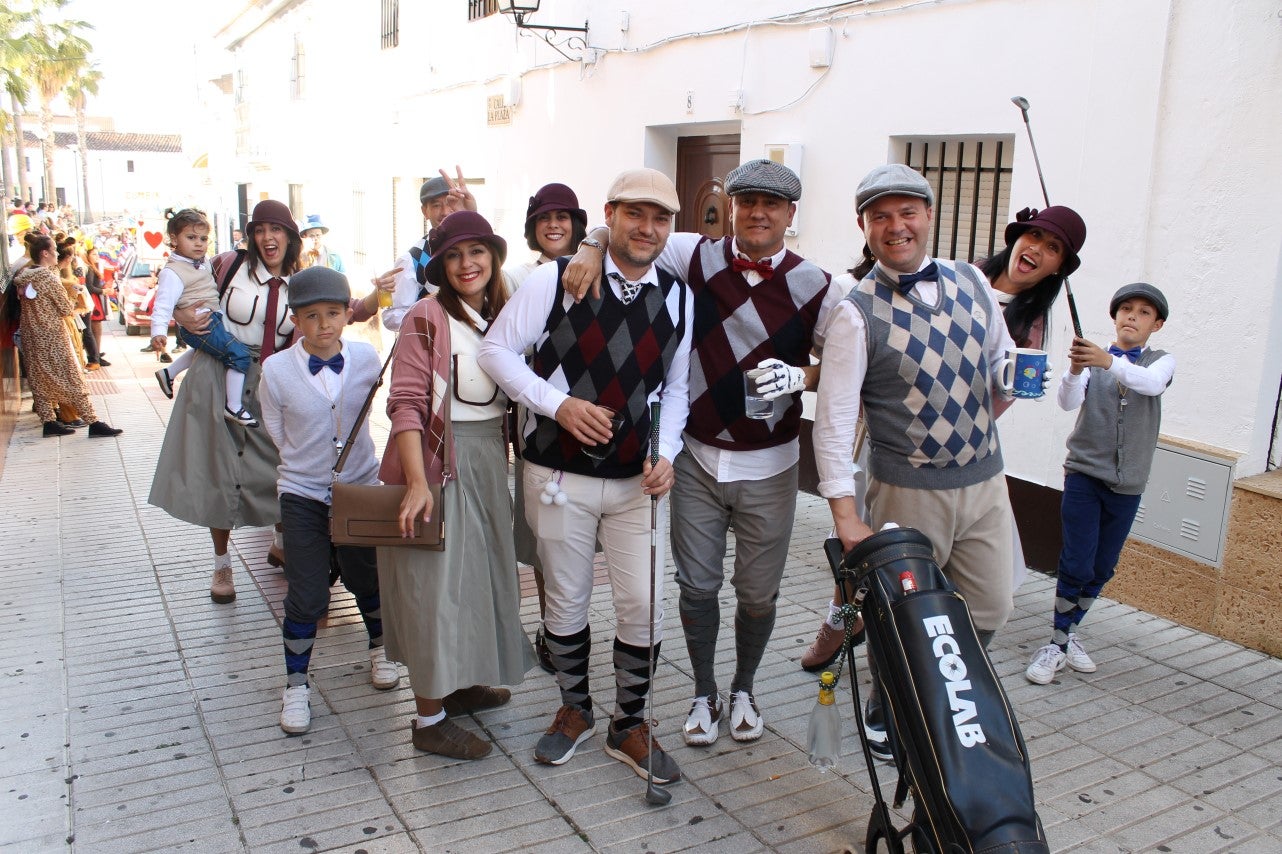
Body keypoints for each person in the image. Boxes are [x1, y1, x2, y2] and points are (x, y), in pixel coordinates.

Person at [562, 159, 841, 747]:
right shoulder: (695, 254)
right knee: (696, 587)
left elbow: (840, 366)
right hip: (695, 458)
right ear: (731, 208)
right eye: (747, 202)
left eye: (772, 204)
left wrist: (799, 376)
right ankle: (702, 691)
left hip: (773, 463)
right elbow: (632, 232)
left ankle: (745, 687)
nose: (758, 213)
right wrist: (589, 243)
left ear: (792, 215)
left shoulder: (819, 283)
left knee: (759, 594)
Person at [479, 168, 693, 786]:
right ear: (611, 214)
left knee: (644, 604)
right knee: (566, 600)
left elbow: (676, 388)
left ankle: (629, 723)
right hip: (556, 472)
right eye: (635, 215)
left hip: (637, 481)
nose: (647, 229)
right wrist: (557, 404)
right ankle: (575, 709)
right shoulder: (555, 280)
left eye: (660, 219)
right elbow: (496, 350)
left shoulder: (678, 296)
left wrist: (670, 452)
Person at [813, 164, 1020, 759]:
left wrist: (1011, 387)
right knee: (901, 613)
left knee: (990, 604)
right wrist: (845, 517)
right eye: (880, 216)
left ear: (929, 216)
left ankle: (952, 690)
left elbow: (998, 368)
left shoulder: (975, 282)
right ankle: (887, 703)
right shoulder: (855, 312)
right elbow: (833, 421)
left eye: (907, 212)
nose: (896, 226)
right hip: (906, 491)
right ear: (864, 226)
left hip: (985, 481)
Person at [376, 211, 535, 758]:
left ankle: (463, 682)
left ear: (494, 257)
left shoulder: (504, 312)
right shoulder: (426, 316)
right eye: (454, 255)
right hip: (438, 462)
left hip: (489, 460)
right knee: (435, 589)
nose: (467, 264)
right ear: (440, 266)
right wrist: (418, 482)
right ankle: (428, 720)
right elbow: (405, 404)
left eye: (477, 252)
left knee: (480, 577)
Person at [259, 266, 400, 734]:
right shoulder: (277, 370)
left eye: (334, 313)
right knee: (307, 591)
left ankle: (380, 650)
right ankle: (296, 685)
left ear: (347, 315)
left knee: (368, 576)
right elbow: (278, 432)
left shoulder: (364, 358)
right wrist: (309, 466)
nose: (324, 325)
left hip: (359, 487)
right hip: (302, 493)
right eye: (312, 315)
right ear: (296, 320)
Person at [148, 200, 307, 605]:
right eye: (259, 230)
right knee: (218, 471)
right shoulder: (227, 264)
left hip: (272, 379)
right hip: (217, 373)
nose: (267, 238)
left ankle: (280, 540)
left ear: (290, 236)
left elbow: (333, 317)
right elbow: (181, 286)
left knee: (280, 463)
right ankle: (222, 565)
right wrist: (181, 318)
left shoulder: (303, 279)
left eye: (276, 230)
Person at [1026, 284, 1174, 684]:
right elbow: (1067, 402)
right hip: (1084, 476)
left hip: (1128, 484)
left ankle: (1069, 633)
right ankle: (1056, 644)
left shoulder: (1160, 362)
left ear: (1156, 325)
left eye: (1144, 312)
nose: (1132, 316)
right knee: (1076, 560)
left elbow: (1150, 384)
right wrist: (1077, 369)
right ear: (1115, 316)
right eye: (1126, 309)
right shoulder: (1095, 361)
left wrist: (1105, 360)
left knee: (1102, 566)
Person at [506, 181, 590, 672]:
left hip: (594, 431)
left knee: (581, 544)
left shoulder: (598, 267)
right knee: (547, 539)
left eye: (562, 216)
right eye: (544, 218)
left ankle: (573, 626)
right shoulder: (519, 277)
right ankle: (552, 628)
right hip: (540, 431)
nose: (554, 224)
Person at [148, 209, 258, 427]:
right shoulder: (173, 272)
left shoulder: (202, 261)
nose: (198, 244)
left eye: (203, 238)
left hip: (210, 318)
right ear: (174, 239)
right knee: (239, 355)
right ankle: (233, 406)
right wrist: (158, 332)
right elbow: (163, 305)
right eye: (191, 238)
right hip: (200, 322)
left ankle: (169, 373)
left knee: (203, 350)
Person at [13, 232, 123, 438]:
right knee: (71, 376)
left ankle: (49, 421)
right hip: (52, 334)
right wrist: (74, 293)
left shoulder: (24, 276)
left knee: (38, 377)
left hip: (30, 333)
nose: (57, 254)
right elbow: (65, 308)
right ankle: (93, 421)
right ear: (45, 253)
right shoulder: (47, 278)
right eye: (54, 250)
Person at [379, 167, 477, 332]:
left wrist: (472, 215)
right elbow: (392, 317)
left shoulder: (478, 248)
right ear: (425, 211)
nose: (445, 212)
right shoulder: (412, 260)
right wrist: (432, 317)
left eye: (449, 203)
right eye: (436, 205)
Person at [981, 206, 1087, 350]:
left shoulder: (1030, 329)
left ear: (1058, 268)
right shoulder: (966, 273)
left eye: (1053, 247)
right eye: (1035, 234)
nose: (1036, 249)